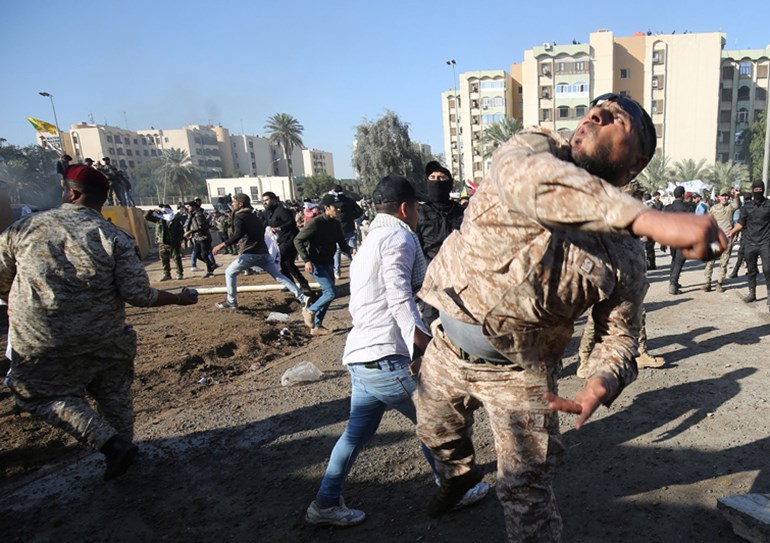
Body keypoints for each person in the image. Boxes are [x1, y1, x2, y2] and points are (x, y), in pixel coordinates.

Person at [413, 93, 725, 542]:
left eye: (616, 118)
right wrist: (646, 219)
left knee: (527, 494)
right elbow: (531, 181)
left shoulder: (624, 256)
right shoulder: (532, 147)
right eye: (595, 108)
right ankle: (458, 475)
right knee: (436, 432)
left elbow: (619, 334)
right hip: (447, 348)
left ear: (635, 163)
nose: (594, 114)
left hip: (520, 376)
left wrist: (602, 380)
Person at [305, 176, 487, 527]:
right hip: (385, 357)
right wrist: (422, 342)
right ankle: (454, 488)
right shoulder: (398, 236)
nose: (418, 214)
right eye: (417, 208)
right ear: (406, 208)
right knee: (433, 420)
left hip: (362, 355)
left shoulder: (371, 239)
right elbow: (399, 296)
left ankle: (325, 503)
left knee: (355, 435)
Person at [0, 164, 198, 481]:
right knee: (113, 393)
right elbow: (138, 294)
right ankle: (122, 451)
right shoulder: (113, 237)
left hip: (42, 341)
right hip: (106, 339)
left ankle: (111, 446)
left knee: (35, 394)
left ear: (70, 193)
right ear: (102, 198)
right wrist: (178, 298)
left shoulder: (23, 229)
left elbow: (2, 280)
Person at [211, 193, 307, 310]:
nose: (232, 204)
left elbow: (238, 234)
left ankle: (231, 302)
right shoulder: (254, 216)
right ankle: (303, 297)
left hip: (249, 253)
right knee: (278, 275)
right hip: (263, 253)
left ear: (240, 204)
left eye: (234, 201)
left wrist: (222, 245)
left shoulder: (240, 216)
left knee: (229, 272)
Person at [294, 194, 353, 336]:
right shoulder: (316, 223)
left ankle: (316, 326)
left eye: (339, 208)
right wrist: (306, 259)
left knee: (328, 294)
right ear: (327, 208)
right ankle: (309, 311)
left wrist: (352, 253)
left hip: (328, 263)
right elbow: (298, 240)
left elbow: (342, 244)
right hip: (316, 264)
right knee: (331, 292)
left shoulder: (335, 224)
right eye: (335, 208)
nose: (339, 210)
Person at [417, 161, 465, 327]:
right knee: (431, 319)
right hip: (430, 276)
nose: (436, 181)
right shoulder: (421, 212)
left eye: (441, 178)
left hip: (457, 275)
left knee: (458, 318)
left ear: (450, 184)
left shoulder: (461, 212)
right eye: (433, 177)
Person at [726, 181, 770, 310]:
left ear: (763, 189)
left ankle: (769, 295)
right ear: (752, 190)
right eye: (755, 189)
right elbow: (741, 223)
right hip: (750, 243)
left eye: (760, 189)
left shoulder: (768, 205)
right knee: (751, 271)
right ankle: (752, 293)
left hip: (765, 243)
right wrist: (732, 231)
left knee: (767, 269)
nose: (757, 191)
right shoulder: (747, 207)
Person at [262, 191, 311, 295]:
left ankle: (304, 285)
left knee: (285, 262)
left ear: (274, 200)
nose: (265, 203)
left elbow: (291, 223)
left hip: (291, 239)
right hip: (280, 241)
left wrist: (279, 228)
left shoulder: (282, 211)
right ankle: (291, 284)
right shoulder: (268, 213)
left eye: (267, 200)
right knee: (283, 264)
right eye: (263, 201)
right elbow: (264, 224)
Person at [704, 190, 739, 292]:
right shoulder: (714, 208)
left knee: (724, 261)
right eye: (722, 196)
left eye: (726, 196)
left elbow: (737, 205)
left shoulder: (730, 207)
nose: (724, 198)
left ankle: (719, 283)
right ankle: (707, 282)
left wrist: (736, 195)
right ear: (718, 197)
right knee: (711, 261)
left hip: (727, 238)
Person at [328, 186, 363, 279]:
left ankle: (337, 272)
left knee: (337, 252)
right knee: (353, 251)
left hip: (337, 230)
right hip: (350, 228)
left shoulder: (334, 203)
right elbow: (360, 211)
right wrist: (352, 216)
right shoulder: (349, 201)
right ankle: (357, 271)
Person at [145, 204, 185, 281]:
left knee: (177, 258)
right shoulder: (159, 219)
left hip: (173, 242)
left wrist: (182, 240)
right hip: (162, 242)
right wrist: (152, 211)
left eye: (165, 209)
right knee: (164, 259)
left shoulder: (175, 219)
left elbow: (180, 231)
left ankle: (179, 273)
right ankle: (167, 274)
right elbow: (147, 217)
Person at [664, 186, 693, 295]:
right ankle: (673, 284)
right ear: (682, 195)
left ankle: (673, 281)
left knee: (674, 259)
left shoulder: (668, 208)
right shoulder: (687, 207)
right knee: (679, 262)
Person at [184, 200, 217, 278]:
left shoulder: (198, 215)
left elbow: (202, 227)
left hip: (204, 237)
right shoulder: (192, 215)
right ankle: (211, 265)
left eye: (189, 206)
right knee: (197, 254)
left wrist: (191, 231)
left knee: (204, 254)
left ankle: (210, 270)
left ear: (194, 207)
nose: (188, 208)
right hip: (197, 238)